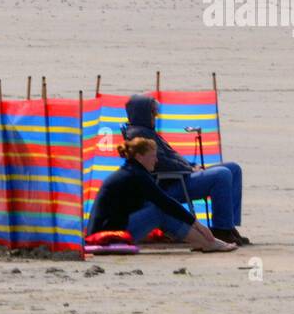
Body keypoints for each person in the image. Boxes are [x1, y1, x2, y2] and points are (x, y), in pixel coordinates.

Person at [123, 93, 249, 245]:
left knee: (233, 169)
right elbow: (160, 163)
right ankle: (221, 229)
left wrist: (190, 165)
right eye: (152, 112)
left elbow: (171, 156)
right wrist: (189, 169)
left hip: (181, 175)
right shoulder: (139, 136)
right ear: (143, 113)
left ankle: (229, 226)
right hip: (169, 184)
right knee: (222, 175)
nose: (155, 116)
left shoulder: (147, 131)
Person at [89, 137, 236, 252]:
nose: (157, 160)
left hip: (110, 228)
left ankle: (204, 242)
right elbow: (165, 202)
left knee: (160, 210)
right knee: (159, 211)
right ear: (140, 157)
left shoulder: (131, 171)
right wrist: (196, 223)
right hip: (108, 236)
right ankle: (207, 243)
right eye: (153, 156)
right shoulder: (136, 175)